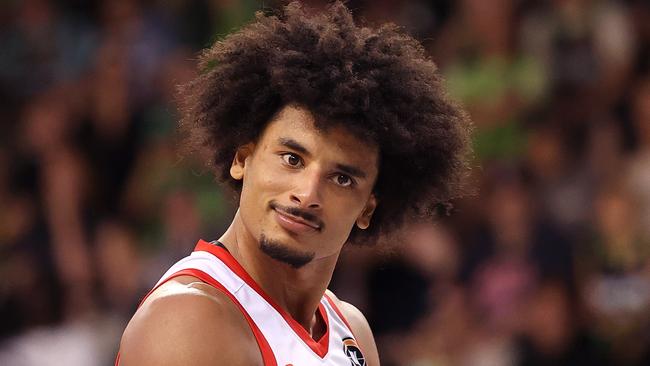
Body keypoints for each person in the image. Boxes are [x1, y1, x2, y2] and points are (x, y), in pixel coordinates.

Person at [117, 2, 471, 365]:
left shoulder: (352, 332)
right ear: (242, 159)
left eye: (342, 178)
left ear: (368, 207)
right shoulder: (189, 321)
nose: (307, 193)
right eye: (292, 159)